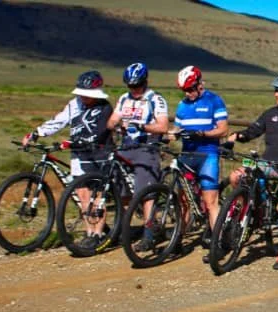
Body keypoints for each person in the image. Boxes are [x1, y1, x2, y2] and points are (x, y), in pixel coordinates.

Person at [224, 74, 278, 271]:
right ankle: (243, 213)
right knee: (236, 176)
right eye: (276, 91)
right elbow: (253, 131)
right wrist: (235, 136)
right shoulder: (270, 113)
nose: (276, 94)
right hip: (266, 163)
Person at [22, 70, 115, 247]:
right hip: (78, 155)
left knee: (97, 196)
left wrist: (75, 142)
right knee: (82, 195)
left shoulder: (105, 107)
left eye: (87, 95)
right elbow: (58, 121)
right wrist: (35, 134)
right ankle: (90, 233)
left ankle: (98, 235)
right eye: (82, 94)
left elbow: (100, 132)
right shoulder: (74, 104)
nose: (84, 98)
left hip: (99, 155)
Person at [107, 63, 170, 250]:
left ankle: (149, 234)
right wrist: (115, 125)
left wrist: (142, 126)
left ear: (145, 82)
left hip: (146, 148)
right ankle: (123, 231)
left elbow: (163, 126)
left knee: (146, 194)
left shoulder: (155, 99)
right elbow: (112, 120)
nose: (134, 90)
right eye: (130, 86)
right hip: (125, 147)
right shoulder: (123, 99)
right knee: (122, 192)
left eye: (137, 86)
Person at [173, 65, 229, 262]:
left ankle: (218, 243)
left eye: (190, 89)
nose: (188, 94)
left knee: (210, 201)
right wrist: (168, 136)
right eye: (184, 91)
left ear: (199, 84)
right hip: (186, 155)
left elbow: (223, 130)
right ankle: (176, 240)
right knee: (182, 201)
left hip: (207, 155)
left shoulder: (214, 100)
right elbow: (176, 128)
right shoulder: (182, 105)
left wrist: (203, 134)